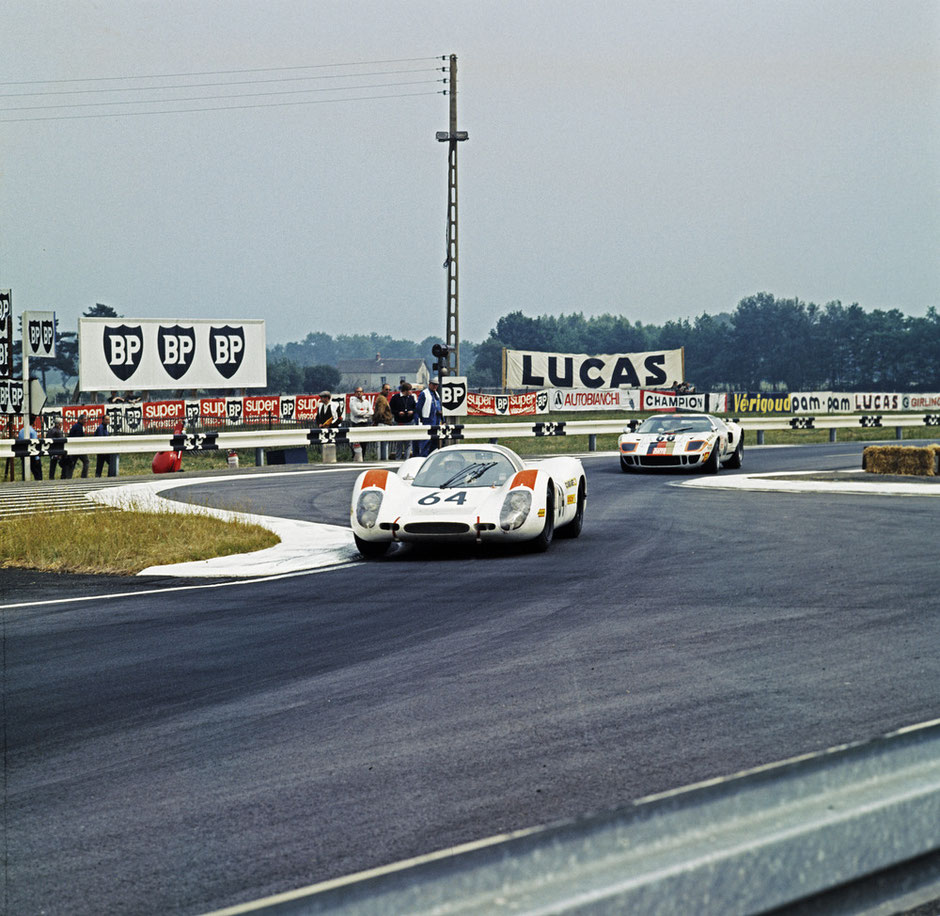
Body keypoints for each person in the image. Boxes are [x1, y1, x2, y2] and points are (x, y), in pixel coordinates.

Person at [389, 382, 417, 460]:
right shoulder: (396, 397)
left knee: (409, 442)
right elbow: (391, 408)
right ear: (405, 390)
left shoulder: (411, 398)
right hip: (399, 421)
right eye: (410, 390)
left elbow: (415, 407)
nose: (411, 392)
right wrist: (398, 412)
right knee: (399, 442)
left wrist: (412, 412)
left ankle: (406, 458)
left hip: (409, 421)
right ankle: (398, 458)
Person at [416, 378, 443, 456]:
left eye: (436, 385)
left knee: (435, 441)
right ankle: (423, 456)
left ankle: (432, 456)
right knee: (426, 441)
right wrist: (422, 418)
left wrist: (442, 418)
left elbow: (439, 406)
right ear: (429, 384)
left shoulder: (436, 394)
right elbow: (418, 407)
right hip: (428, 419)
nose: (435, 386)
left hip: (436, 419)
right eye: (433, 384)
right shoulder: (424, 393)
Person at [347, 386, 374, 462]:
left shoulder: (366, 402)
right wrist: (366, 413)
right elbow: (356, 413)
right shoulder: (352, 402)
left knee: (364, 442)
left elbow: (371, 412)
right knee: (356, 442)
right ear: (355, 393)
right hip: (356, 423)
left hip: (365, 423)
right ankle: (355, 457)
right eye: (357, 392)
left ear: (363, 392)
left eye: (360, 391)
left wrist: (363, 413)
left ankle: (363, 457)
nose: (359, 393)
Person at [371, 384, 394, 460]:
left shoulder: (382, 398)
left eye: (389, 390)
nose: (388, 391)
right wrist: (375, 421)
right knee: (382, 444)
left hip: (384, 422)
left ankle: (383, 458)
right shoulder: (382, 399)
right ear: (382, 389)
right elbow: (380, 412)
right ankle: (383, 459)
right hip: (383, 422)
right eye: (386, 389)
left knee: (384, 444)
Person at [63, 413, 89, 478]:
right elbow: (78, 438)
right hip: (78, 448)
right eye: (84, 420)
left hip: (74, 447)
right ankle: (84, 476)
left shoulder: (76, 426)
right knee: (86, 461)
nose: (86, 421)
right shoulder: (79, 427)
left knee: (72, 463)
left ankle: (68, 476)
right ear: (80, 420)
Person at [17, 414, 43, 480]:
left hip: (23, 454)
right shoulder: (33, 432)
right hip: (32, 456)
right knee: (38, 474)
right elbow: (34, 445)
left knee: (25, 472)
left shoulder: (21, 431)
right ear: (33, 422)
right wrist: (37, 458)